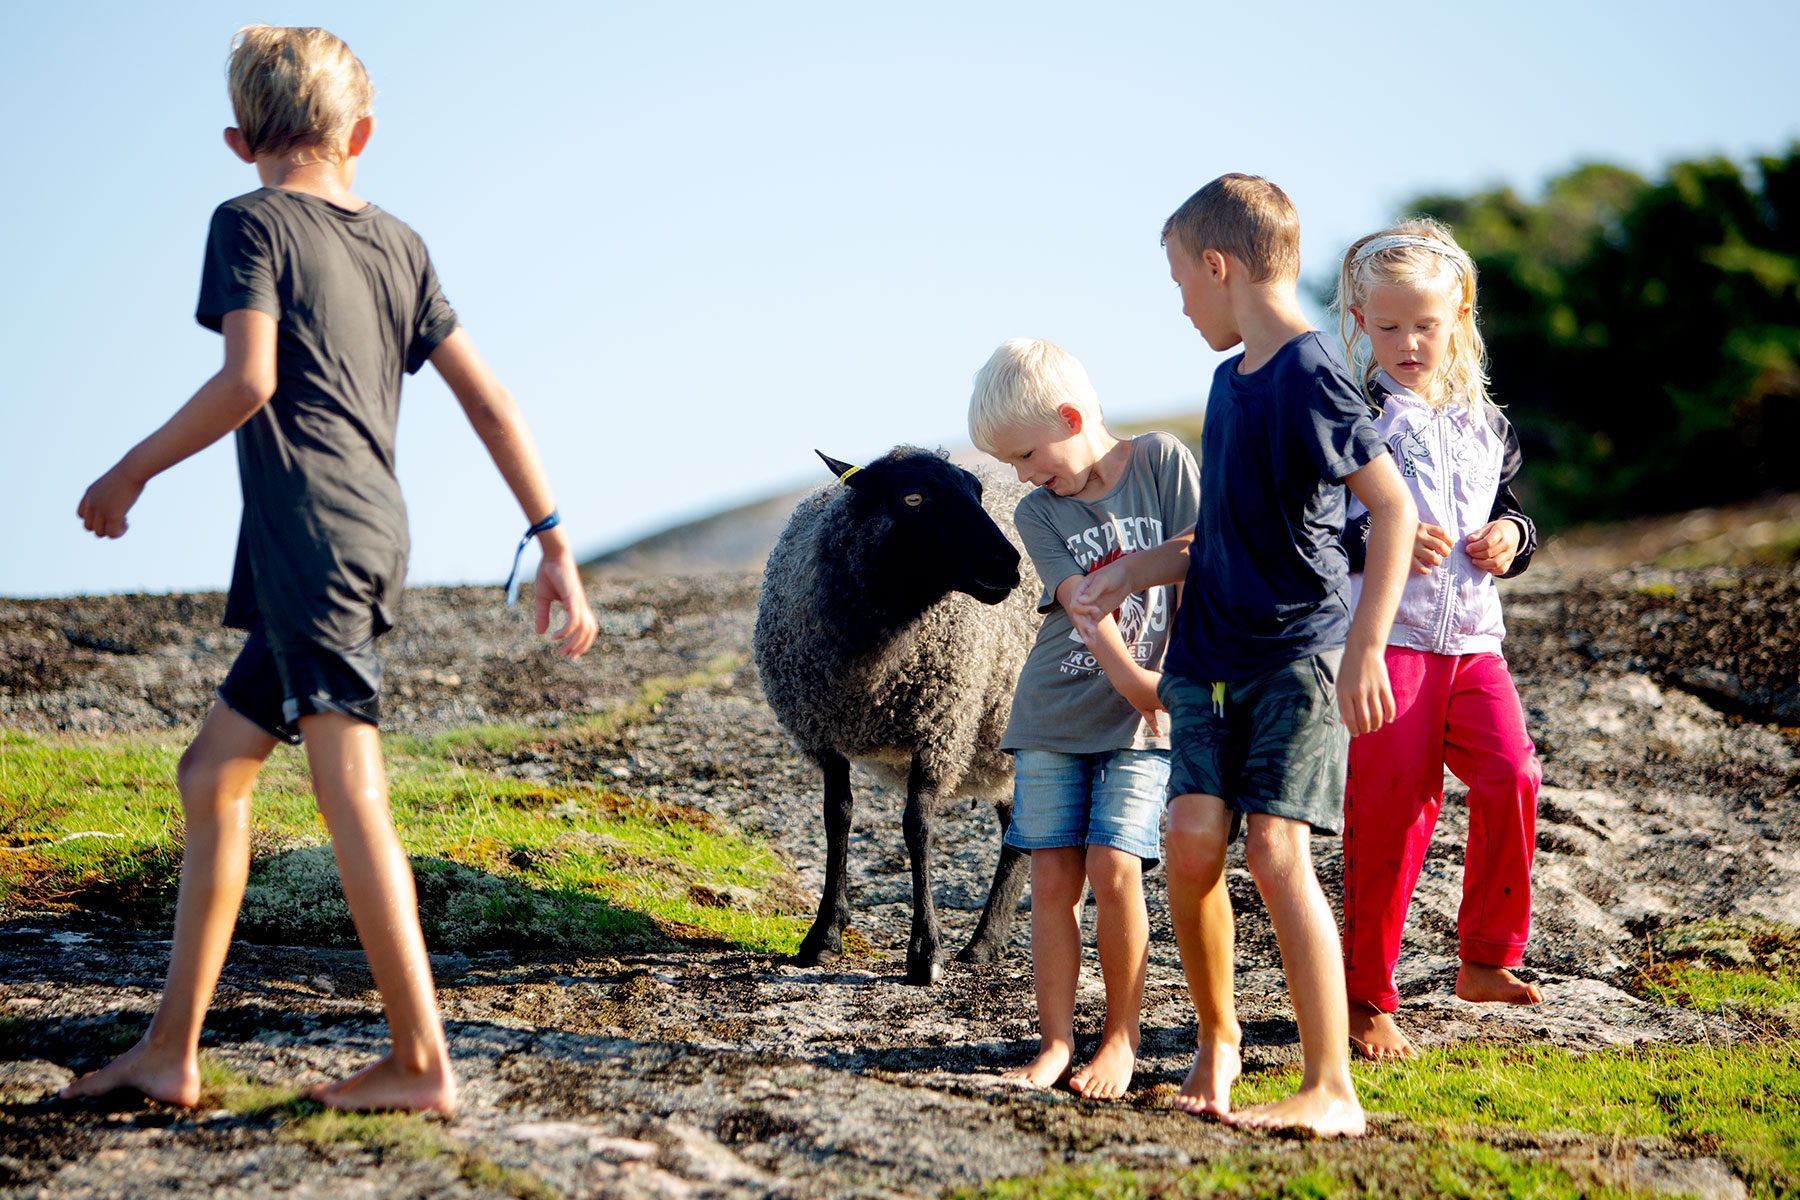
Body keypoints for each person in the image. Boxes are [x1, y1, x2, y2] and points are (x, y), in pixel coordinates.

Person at [63, 25, 598, 1114]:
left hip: (313, 540)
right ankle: (170, 1054)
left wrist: (131, 470)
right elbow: (489, 399)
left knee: (350, 790)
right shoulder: (399, 241)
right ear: (359, 135)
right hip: (362, 534)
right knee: (212, 774)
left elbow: (248, 378)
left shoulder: (248, 221)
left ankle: (420, 1060)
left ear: (236, 139)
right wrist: (553, 542)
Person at [1072, 175, 1417, 1136]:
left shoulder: (1313, 374)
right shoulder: (1229, 383)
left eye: (1182, 282)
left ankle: (1330, 1086)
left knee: (1273, 850)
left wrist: (1366, 647)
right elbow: (1218, 536)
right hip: (1203, 658)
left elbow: (1390, 510)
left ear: (1218, 266)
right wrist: (1132, 570)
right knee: (1188, 840)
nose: (1181, 304)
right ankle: (1217, 1038)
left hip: (1293, 657)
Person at [1332, 220, 1544, 1062]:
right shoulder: (1350, 416)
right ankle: (1363, 998)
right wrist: (1374, 538)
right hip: (1391, 643)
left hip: (1475, 646)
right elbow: (1317, 526)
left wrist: (1512, 540)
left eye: (1423, 324)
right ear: (1357, 319)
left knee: (1514, 773)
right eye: (1386, 326)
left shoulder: (1489, 422)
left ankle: (1486, 958)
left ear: (1459, 312)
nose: (1406, 343)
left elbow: (1518, 512)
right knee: (1394, 813)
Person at [969, 338, 1201, 1100]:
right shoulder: (1038, 512)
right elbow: (1080, 603)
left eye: (1028, 455)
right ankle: (1056, 1041)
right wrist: (1135, 680)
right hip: (1056, 710)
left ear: (1072, 417)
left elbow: (1205, 552)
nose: (1023, 477)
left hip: (1147, 716)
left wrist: (1154, 691)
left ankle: (1122, 1040)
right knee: (1052, 874)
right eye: (1010, 465)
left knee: (1115, 867)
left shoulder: (1163, 460)